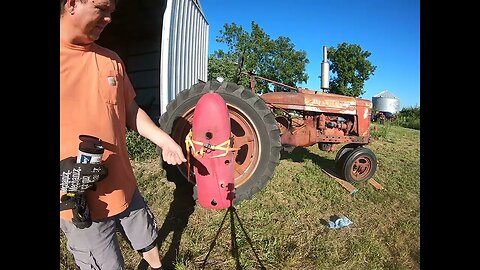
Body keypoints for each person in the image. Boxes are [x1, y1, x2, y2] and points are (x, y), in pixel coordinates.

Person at [60, 0, 187, 269]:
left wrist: (165, 140)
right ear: (72, 4)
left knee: (147, 238)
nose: (108, 18)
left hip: (125, 185)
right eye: (101, 8)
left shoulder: (111, 59)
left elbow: (130, 110)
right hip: (80, 201)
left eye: (111, 13)